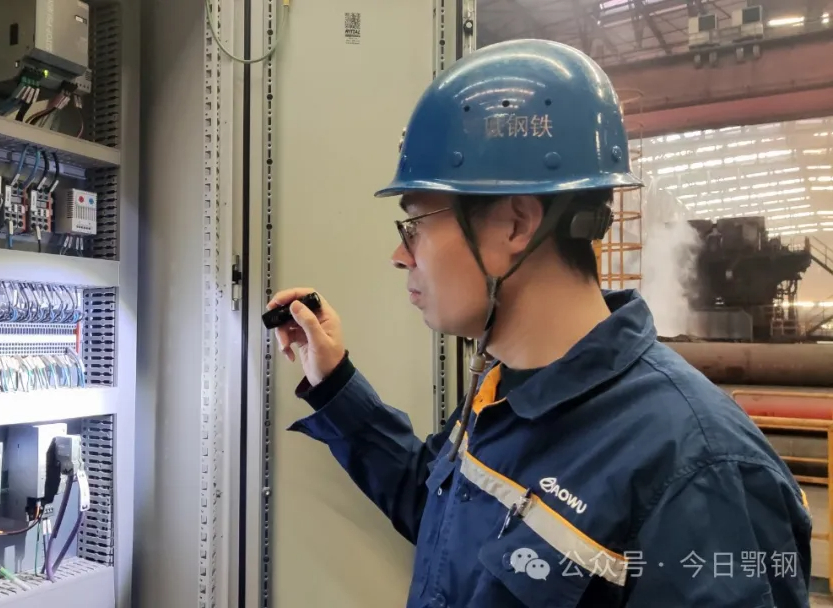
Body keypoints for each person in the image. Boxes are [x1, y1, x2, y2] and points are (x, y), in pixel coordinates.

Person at [267, 39, 811, 607]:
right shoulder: (501, 392)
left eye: (415, 226)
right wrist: (334, 383)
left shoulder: (699, 471)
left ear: (516, 224)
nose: (400, 256)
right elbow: (441, 512)